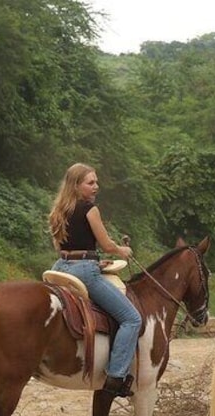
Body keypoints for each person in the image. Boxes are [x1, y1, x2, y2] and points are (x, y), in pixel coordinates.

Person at [48, 163, 142, 398]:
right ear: (76, 186)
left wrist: (92, 259)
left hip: (60, 267)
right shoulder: (90, 209)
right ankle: (116, 374)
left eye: (96, 182)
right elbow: (106, 244)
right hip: (84, 272)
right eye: (90, 182)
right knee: (132, 318)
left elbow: (61, 247)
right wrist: (123, 251)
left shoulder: (58, 211)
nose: (96, 186)